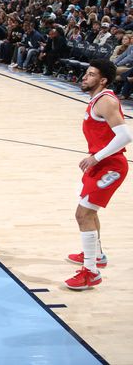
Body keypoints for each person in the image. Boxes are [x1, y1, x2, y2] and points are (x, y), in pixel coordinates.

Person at [65, 59, 131, 290]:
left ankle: (91, 272)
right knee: (89, 212)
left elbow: (125, 136)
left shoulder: (105, 102)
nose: (85, 77)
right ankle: (97, 255)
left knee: (83, 214)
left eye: (91, 74)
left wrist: (96, 157)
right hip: (101, 164)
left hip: (111, 166)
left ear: (102, 80)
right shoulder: (98, 99)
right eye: (86, 73)